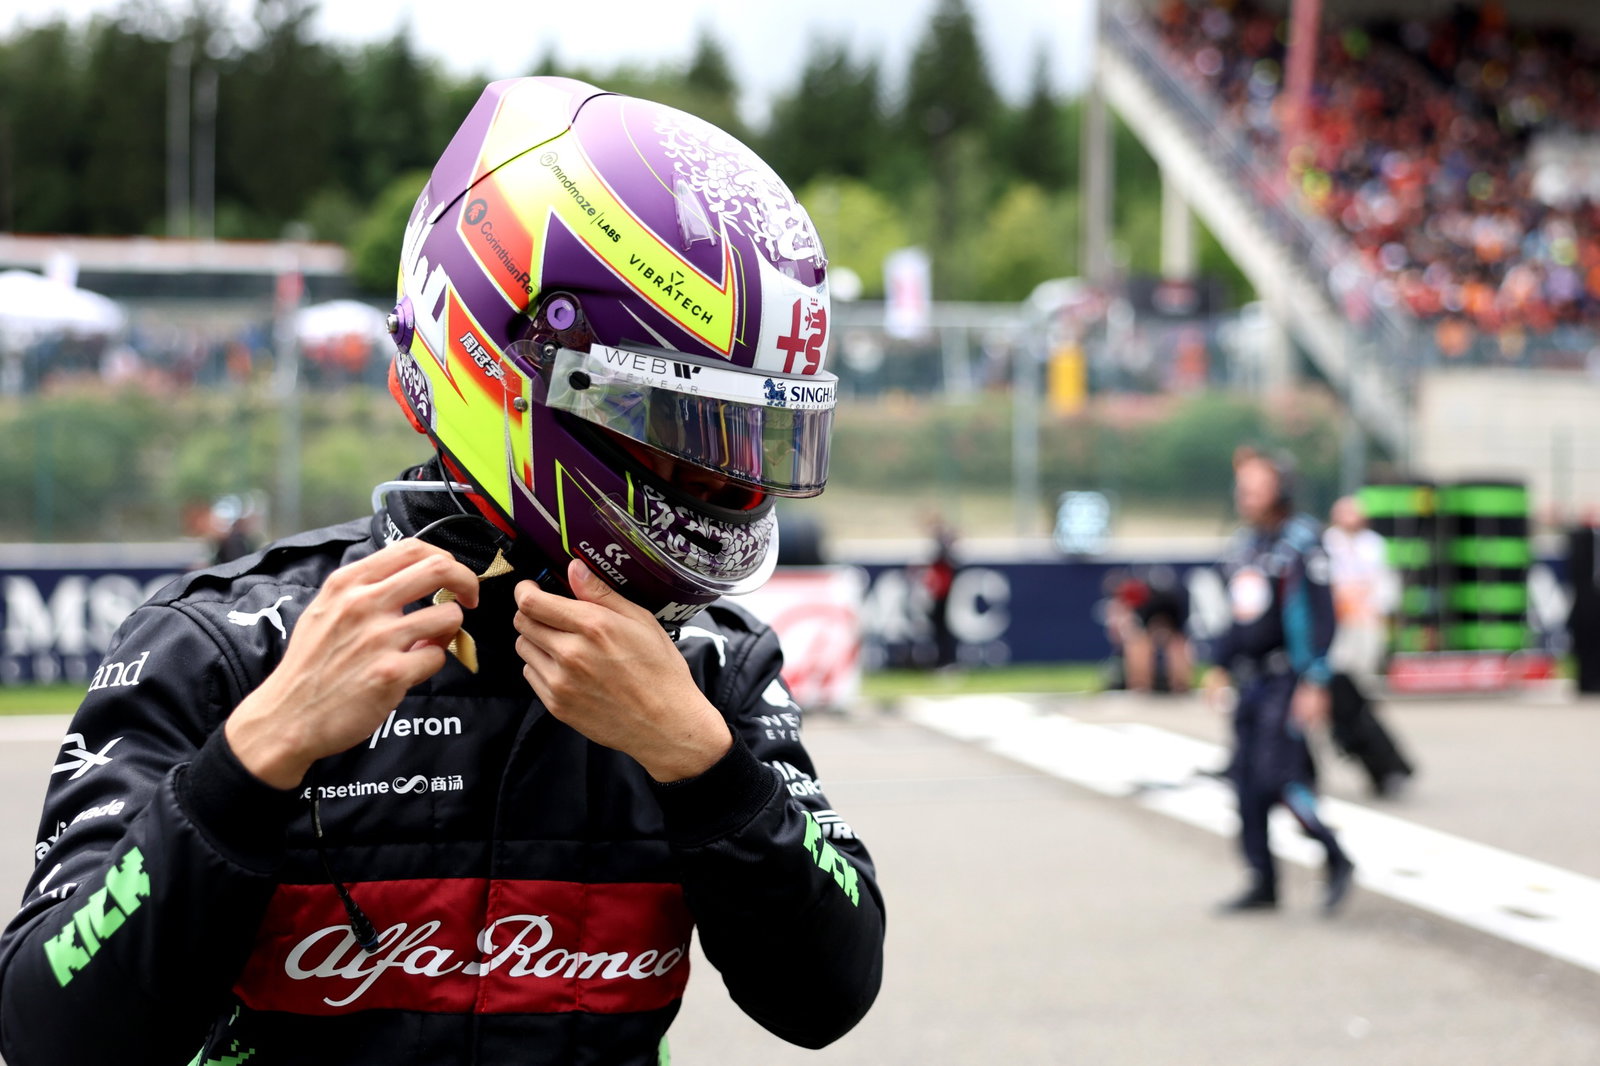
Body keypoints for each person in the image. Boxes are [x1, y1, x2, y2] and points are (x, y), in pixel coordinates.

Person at [0, 77, 883, 1066]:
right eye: (680, 430)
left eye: (748, 438)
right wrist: (253, 759)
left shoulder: (713, 668)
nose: (716, 479)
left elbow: (828, 995)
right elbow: (46, 1033)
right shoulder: (218, 649)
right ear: (501, 364)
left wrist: (704, 768)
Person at [1201, 449, 1355, 914]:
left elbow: (1324, 619)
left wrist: (1315, 680)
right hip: (1250, 683)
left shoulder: (1303, 544)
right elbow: (1239, 617)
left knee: (1281, 778)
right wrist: (1220, 665)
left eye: (1255, 483)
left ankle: (1335, 856)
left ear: (1281, 487)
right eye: (1241, 484)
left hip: (1289, 678)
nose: (1244, 492)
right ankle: (1262, 880)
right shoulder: (1245, 546)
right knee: (1245, 782)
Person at [1322, 496, 1416, 797]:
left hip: (1364, 628)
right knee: (1339, 692)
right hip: (1337, 630)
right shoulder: (1327, 545)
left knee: (1356, 695)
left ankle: (1383, 763)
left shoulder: (1373, 545)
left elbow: (1384, 588)